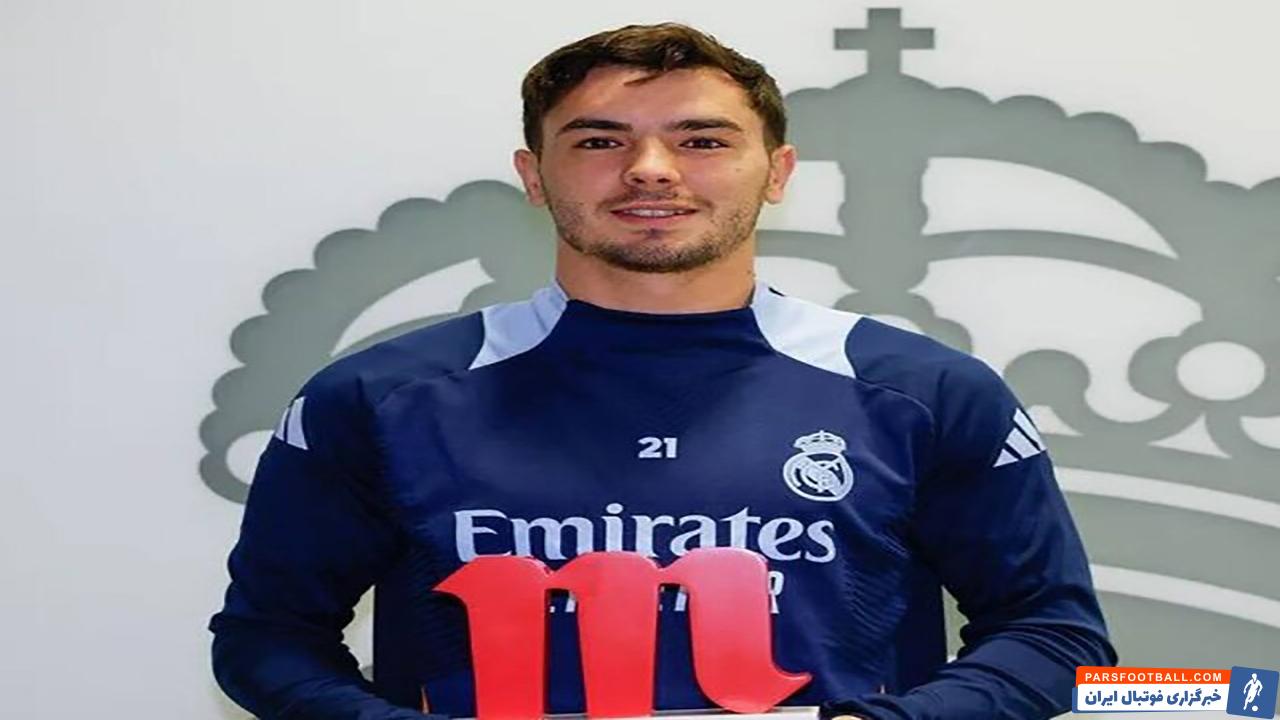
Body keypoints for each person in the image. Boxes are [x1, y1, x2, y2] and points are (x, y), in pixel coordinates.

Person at [210, 23, 1117, 719]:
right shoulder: (377, 399)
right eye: (599, 141)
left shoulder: (925, 393)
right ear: (534, 175)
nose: (651, 170)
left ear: (777, 172)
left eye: (702, 141)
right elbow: (267, 640)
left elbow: (1054, 637)